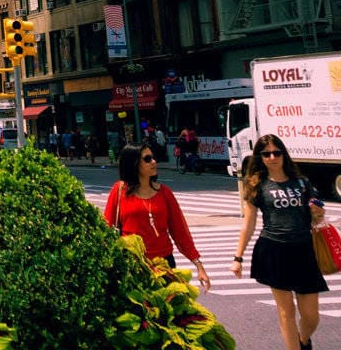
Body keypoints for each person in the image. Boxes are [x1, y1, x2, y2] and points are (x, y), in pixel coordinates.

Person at [230, 135, 327, 350]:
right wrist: (238, 257)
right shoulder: (257, 185)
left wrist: (318, 214)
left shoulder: (302, 182)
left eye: (277, 152)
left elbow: (315, 219)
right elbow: (249, 224)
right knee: (286, 311)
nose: (272, 157)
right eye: (266, 154)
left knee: (312, 316)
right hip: (274, 249)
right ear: (260, 158)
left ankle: (303, 340)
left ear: (284, 154)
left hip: (304, 250)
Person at [103, 142, 210, 291]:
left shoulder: (164, 193)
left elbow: (180, 232)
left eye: (153, 158)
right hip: (133, 267)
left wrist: (198, 265)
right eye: (147, 159)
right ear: (133, 164)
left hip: (164, 265)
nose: (154, 162)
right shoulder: (119, 191)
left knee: (167, 312)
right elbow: (107, 227)